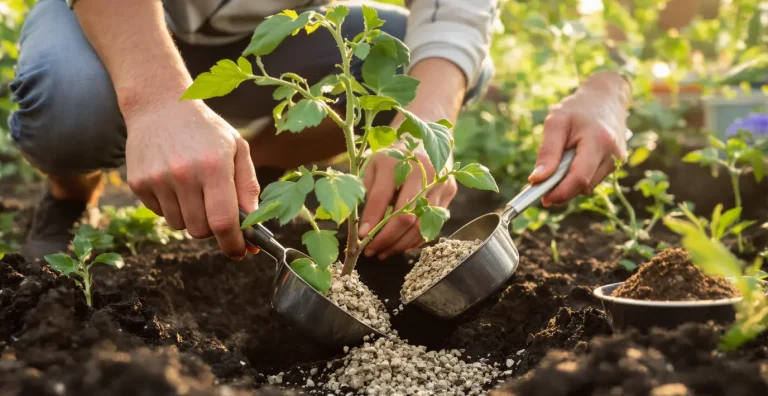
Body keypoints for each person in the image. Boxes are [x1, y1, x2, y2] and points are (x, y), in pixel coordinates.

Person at [9, 0, 630, 262]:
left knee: (411, 65)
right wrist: (155, 102)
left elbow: (456, 12)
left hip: (280, 30)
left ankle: (264, 182)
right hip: (114, 23)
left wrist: (425, 129)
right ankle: (69, 198)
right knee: (69, 103)